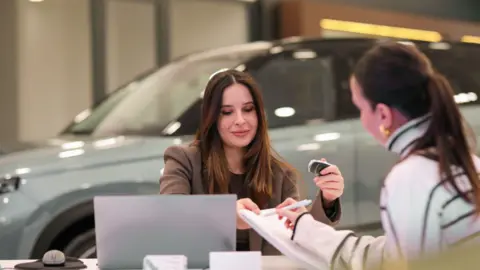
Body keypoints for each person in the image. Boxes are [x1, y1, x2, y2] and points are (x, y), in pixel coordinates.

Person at [275, 41, 480, 269]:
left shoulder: (411, 177)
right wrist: (307, 229)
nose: (361, 120)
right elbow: (392, 255)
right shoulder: (464, 162)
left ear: (382, 114)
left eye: (361, 108)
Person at [159, 69, 344, 255]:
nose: (240, 120)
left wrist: (327, 200)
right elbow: (172, 213)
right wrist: (226, 215)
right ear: (212, 117)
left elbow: (303, 243)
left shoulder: (280, 175)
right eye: (227, 112)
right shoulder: (183, 160)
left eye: (248, 109)